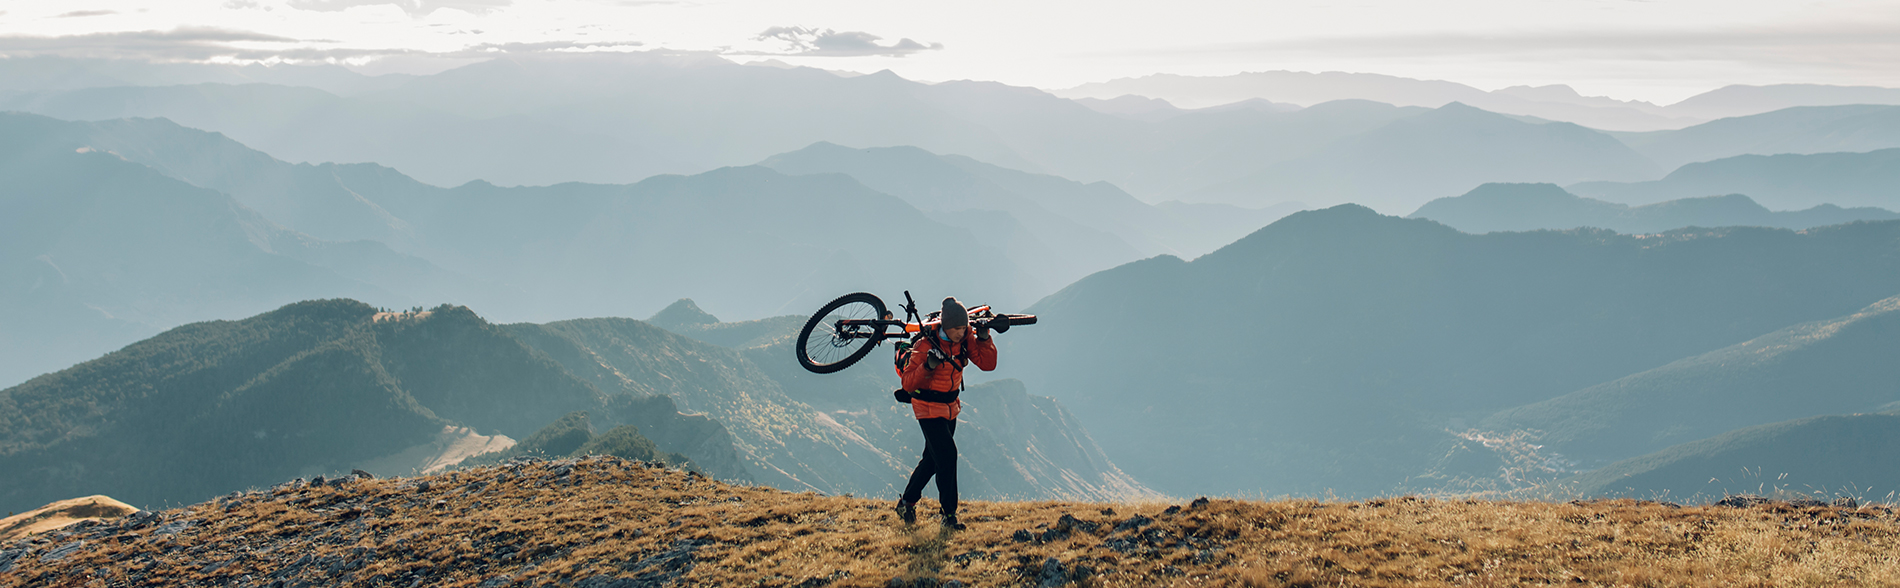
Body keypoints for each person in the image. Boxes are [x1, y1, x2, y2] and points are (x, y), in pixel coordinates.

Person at [893, 297, 998, 530]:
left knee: (932, 460)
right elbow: (908, 383)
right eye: (956, 329)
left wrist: (983, 339)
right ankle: (948, 516)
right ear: (945, 327)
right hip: (927, 409)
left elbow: (987, 364)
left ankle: (906, 503)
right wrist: (928, 366)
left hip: (951, 408)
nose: (961, 333)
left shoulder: (965, 339)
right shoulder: (924, 346)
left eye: (964, 328)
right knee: (948, 457)